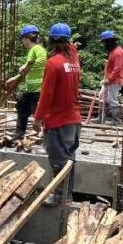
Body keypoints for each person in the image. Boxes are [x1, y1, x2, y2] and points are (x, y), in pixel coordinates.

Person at [34, 23, 82, 205]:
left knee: (58, 160)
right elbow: (73, 49)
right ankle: (67, 195)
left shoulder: (53, 64)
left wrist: (38, 119)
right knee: (70, 158)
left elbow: (46, 95)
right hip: (74, 120)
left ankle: (60, 196)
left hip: (58, 121)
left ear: (51, 40)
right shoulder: (74, 60)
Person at [4, 25, 47, 141]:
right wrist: (15, 78)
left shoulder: (37, 49)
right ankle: (19, 134)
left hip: (38, 90)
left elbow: (43, 59)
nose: (22, 41)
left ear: (27, 38)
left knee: (38, 113)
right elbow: (28, 71)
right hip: (31, 90)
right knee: (22, 107)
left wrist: (26, 65)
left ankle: (47, 135)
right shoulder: (32, 51)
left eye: (23, 38)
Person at [98, 30, 123, 125]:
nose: (104, 45)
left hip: (114, 80)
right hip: (109, 79)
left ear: (109, 41)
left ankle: (116, 121)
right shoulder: (114, 51)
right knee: (102, 96)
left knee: (112, 100)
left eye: (104, 42)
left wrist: (109, 79)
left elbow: (117, 69)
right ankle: (101, 118)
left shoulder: (117, 52)